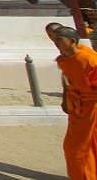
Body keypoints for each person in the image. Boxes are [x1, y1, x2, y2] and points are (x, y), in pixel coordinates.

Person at [54, 26, 97, 180]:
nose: (55, 42)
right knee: (73, 146)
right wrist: (65, 98)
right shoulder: (65, 60)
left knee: (89, 146)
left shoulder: (89, 60)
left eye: (59, 39)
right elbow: (67, 81)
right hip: (78, 108)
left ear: (72, 41)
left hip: (93, 108)